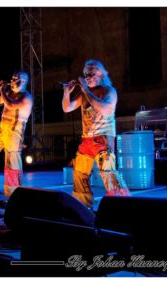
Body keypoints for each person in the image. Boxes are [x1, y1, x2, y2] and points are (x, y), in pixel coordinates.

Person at [62, 59, 130, 207]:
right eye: (85, 73)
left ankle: (123, 207)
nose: (87, 76)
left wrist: (85, 89)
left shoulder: (109, 91)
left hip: (103, 139)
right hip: (86, 139)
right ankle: (83, 204)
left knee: (108, 173)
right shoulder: (85, 94)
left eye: (91, 73)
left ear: (101, 74)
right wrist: (67, 93)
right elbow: (67, 108)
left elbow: (105, 109)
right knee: (79, 173)